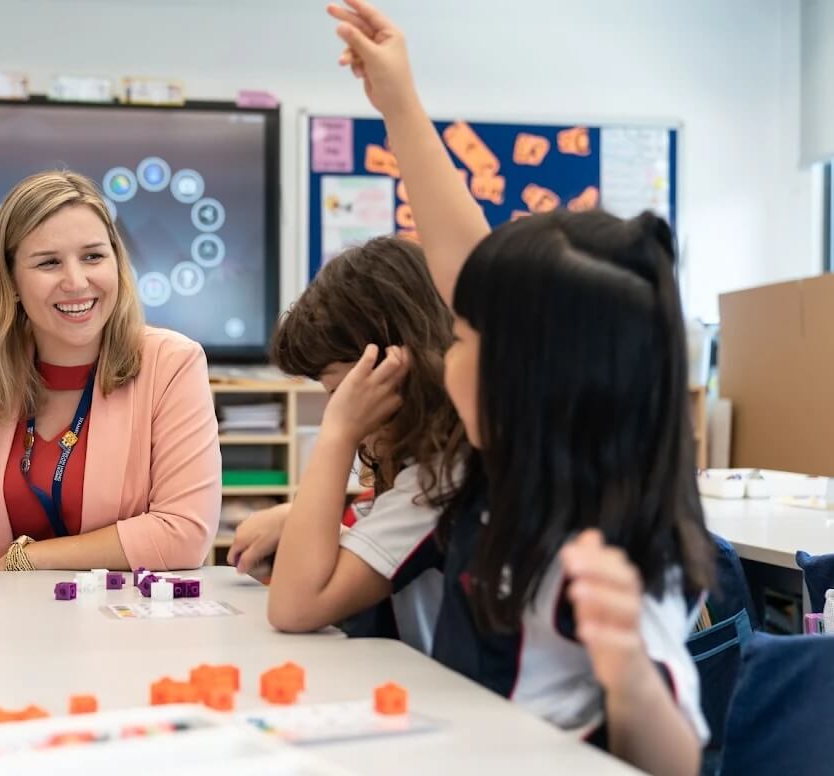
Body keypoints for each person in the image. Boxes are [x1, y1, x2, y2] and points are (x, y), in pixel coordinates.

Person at [330, 3, 713, 773]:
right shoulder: (503, 469)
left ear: (535, 379)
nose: (446, 356)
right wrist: (399, 103)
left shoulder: (620, 544)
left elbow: (674, 760)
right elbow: (463, 260)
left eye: (464, 340)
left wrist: (630, 681)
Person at [0, 170, 220, 575]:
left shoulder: (172, 363)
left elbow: (184, 533)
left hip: (124, 629)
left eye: (93, 256)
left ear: (117, 263)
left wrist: (23, 560)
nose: (77, 282)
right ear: (10, 280)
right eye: (48, 263)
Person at [227, 237, 464, 655]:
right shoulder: (416, 466)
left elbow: (294, 609)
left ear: (395, 370)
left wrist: (337, 433)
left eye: (339, 392)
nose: (335, 409)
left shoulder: (440, 479)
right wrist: (294, 516)